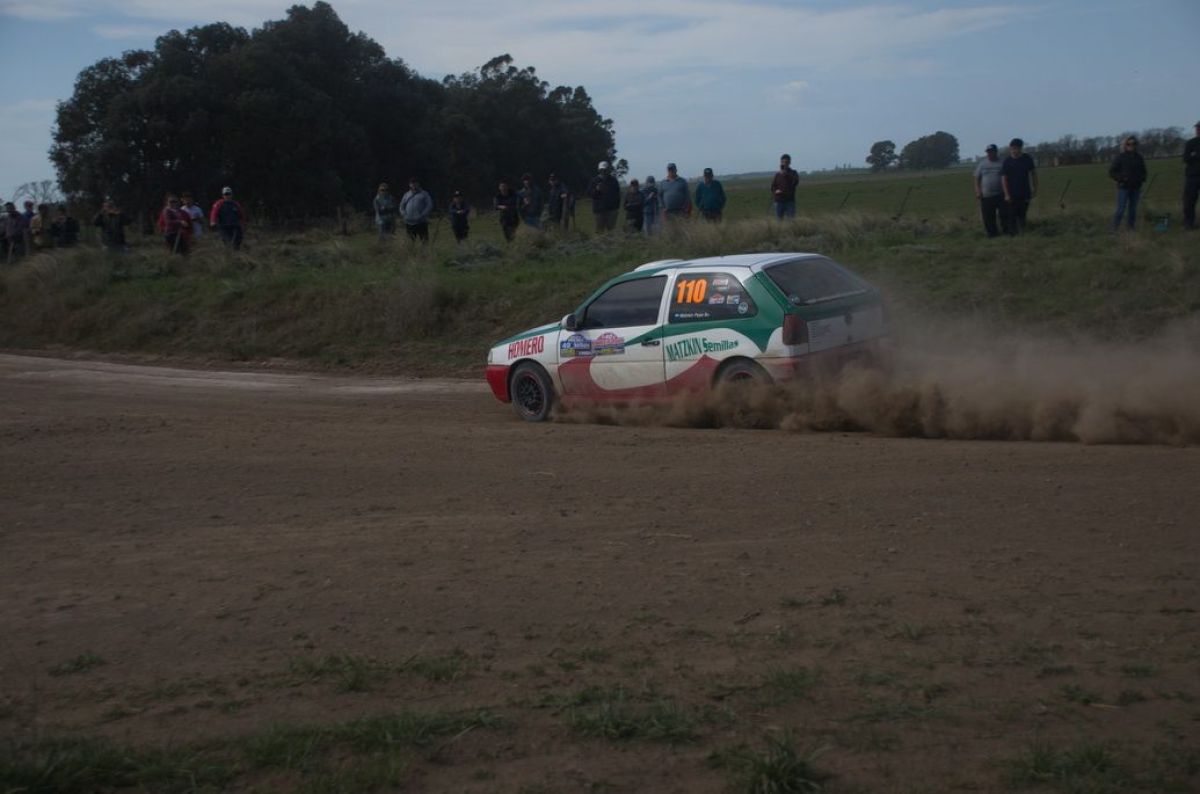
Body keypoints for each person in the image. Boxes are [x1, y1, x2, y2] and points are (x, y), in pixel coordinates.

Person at [1108, 136, 1148, 233]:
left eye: (1133, 144)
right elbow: (1112, 172)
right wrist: (1121, 179)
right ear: (1125, 145)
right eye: (1129, 144)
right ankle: (1113, 229)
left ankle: (1131, 228)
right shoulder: (1121, 157)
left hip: (1136, 188)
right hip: (1123, 187)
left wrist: (1142, 179)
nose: (1131, 146)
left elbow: (1144, 170)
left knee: (1133, 210)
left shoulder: (1139, 157)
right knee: (1121, 209)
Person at [1001, 138, 1038, 235]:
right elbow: (1004, 179)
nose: (1014, 150)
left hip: (1025, 192)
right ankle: (1012, 234)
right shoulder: (1007, 161)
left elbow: (1033, 174)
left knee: (1023, 213)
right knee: (1012, 214)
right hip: (1012, 193)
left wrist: (1034, 188)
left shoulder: (1027, 159)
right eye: (1012, 148)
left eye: (1016, 148)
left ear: (1021, 148)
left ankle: (1022, 231)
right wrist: (1006, 194)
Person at [973, 144, 1005, 238]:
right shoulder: (982, 164)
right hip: (986, 196)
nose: (989, 154)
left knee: (1004, 215)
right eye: (988, 152)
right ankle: (992, 235)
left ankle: (1007, 232)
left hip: (1001, 194)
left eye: (991, 152)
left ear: (996, 152)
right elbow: (976, 178)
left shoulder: (1002, 162)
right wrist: (978, 191)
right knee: (988, 217)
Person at [586, 161, 621, 232]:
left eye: (605, 169)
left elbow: (617, 194)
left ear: (608, 170)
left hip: (612, 210)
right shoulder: (594, 181)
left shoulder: (613, 180)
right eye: (601, 170)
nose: (603, 171)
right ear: (599, 170)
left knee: (611, 231)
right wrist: (596, 189)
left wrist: (616, 208)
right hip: (599, 211)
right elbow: (589, 194)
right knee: (599, 231)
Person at [399, 177, 433, 243]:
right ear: (409, 185)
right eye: (412, 183)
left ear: (418, 184)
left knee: (424, 242)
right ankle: (411, 253)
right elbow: (401, 206)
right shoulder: (406, 195)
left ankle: (425, 253)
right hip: (409, 223)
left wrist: (422, 215)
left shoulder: (424, 194)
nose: (413, 185)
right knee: (410, 243)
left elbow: (429, 205)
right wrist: (404, 214)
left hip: (421, 222)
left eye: (415, 183)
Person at [771, 153, 800, 219]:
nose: (784, 164)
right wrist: (776, 191)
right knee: (778, 222)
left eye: (786, 162)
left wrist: (786, 174)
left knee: (791, 221)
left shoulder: (793, 172)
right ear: (780, 162)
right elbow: (773, 187)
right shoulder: (777, 174)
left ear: (789, 162)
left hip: (789, 201)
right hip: (778, 201)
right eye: (783, 162)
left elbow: (795, 182)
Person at [1183, 121, 1200, 231]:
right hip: (1193, 176)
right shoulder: (1191, 143)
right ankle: (1189, 223)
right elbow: (1185, 158)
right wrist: (1195, 156)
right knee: (1189, 201)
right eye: (1197, 128)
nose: (1198, 130)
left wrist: (1194, 155)